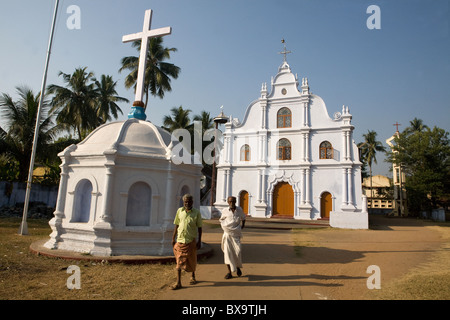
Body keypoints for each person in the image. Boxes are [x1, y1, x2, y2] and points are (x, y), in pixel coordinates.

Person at [171, 193, 203, 290]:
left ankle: (192, 276)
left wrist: (199, 241)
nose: (187, 203)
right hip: (180, 240)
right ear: (183, 202)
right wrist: (173, 238)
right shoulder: (179, 211)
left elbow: (200, 228)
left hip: (191, 240)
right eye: (185, 201)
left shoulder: (196, 213)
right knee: (179, 261)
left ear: (192, 202)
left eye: (189, 201)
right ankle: (178, 282)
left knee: (192, 260)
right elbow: (176, 225)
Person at [220, 196, 246, 279]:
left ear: (236, 201)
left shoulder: (239, 210)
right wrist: (226, 227)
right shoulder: (225, 211)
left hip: (236, 235)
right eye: (230, 201)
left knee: (237, 252)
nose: (232, 203)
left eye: (233, 201)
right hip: (227, 235)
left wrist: (242, 227)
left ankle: (237, 267)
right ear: (228, 202)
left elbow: (243, 218)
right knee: (227, 253)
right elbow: (221, 220)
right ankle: (229, 272)